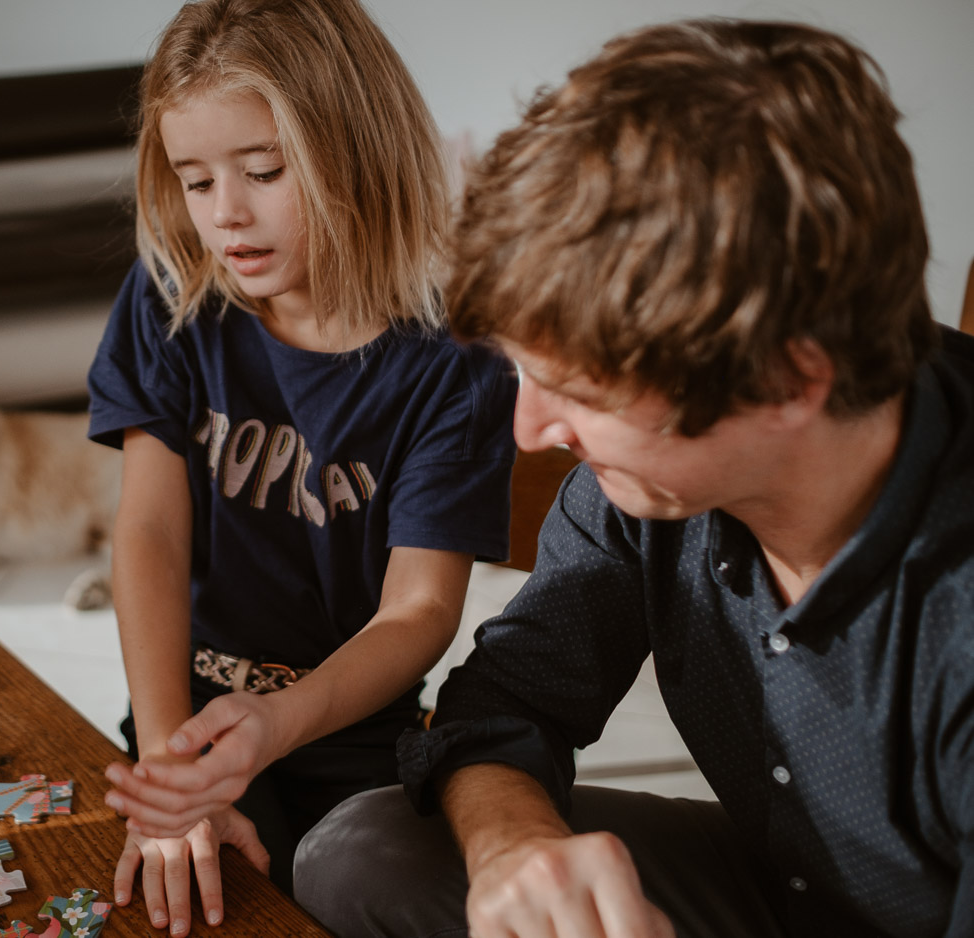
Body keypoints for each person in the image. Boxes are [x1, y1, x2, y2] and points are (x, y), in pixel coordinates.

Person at [292, 17, 974, 938]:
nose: (530, 432)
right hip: (781, 882)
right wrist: (512, 848)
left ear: (790, 377)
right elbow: (504, 703)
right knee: (363, 851)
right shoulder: (641, 498)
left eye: (575, 389)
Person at [85, 0, 518, 934]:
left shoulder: (454, 361)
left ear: (357, 149)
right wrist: (167, 766)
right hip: (183, 708)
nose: (225, 214)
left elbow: (419, 611)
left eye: (264, 171)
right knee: (185, 898)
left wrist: (275, 725)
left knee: (328, 895)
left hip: (346, 727)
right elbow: (150, 536)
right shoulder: (169, 294)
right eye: (195, 181)